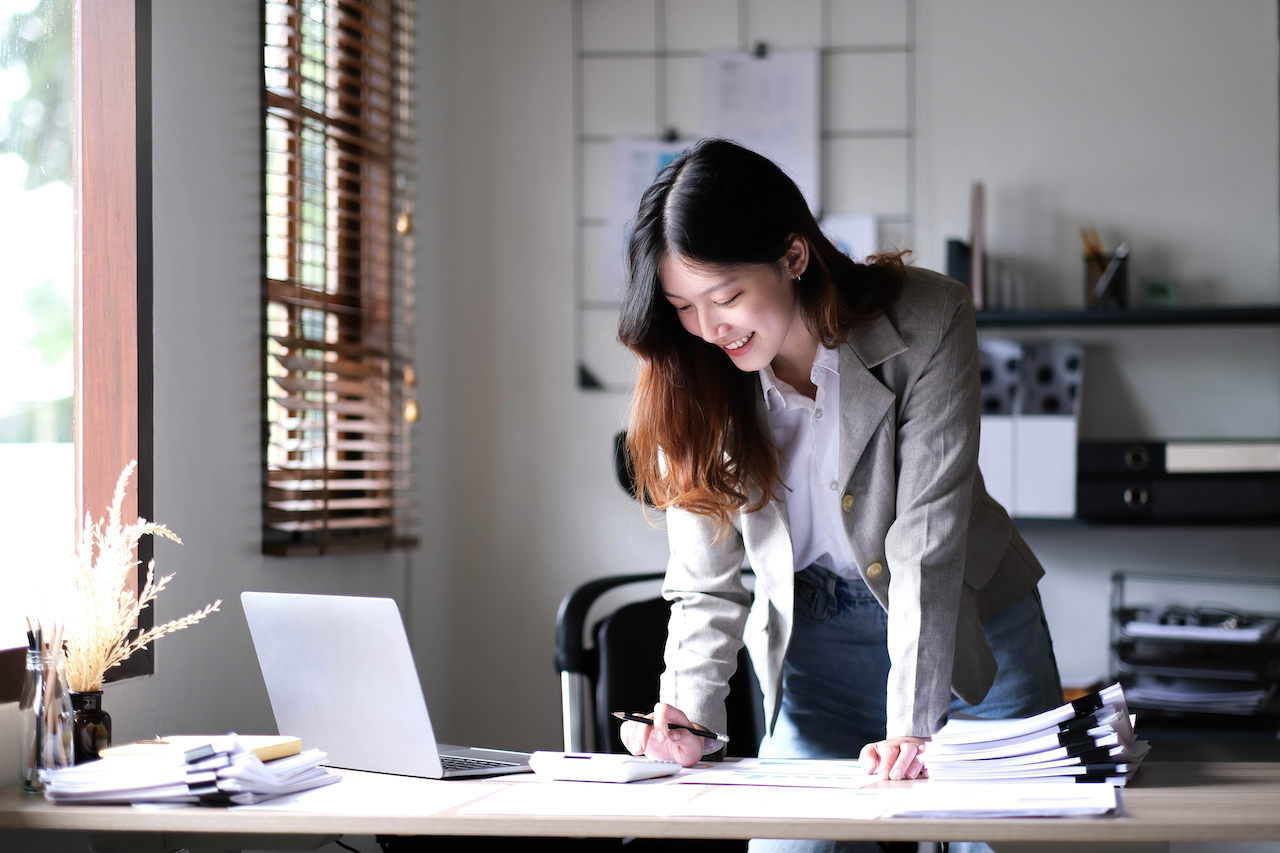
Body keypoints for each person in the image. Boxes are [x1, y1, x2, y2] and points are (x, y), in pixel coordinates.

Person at [615, 139, 1063, 852]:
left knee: (1016, 843)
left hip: (971, 629)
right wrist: (688, 719)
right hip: (816, 649)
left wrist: (912, 722)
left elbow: (927, 538)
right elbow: (706, 587)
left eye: (726, 296)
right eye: (684, 307)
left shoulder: (929, 318)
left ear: (794, 255)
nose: (710, 328)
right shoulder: (690, 374)